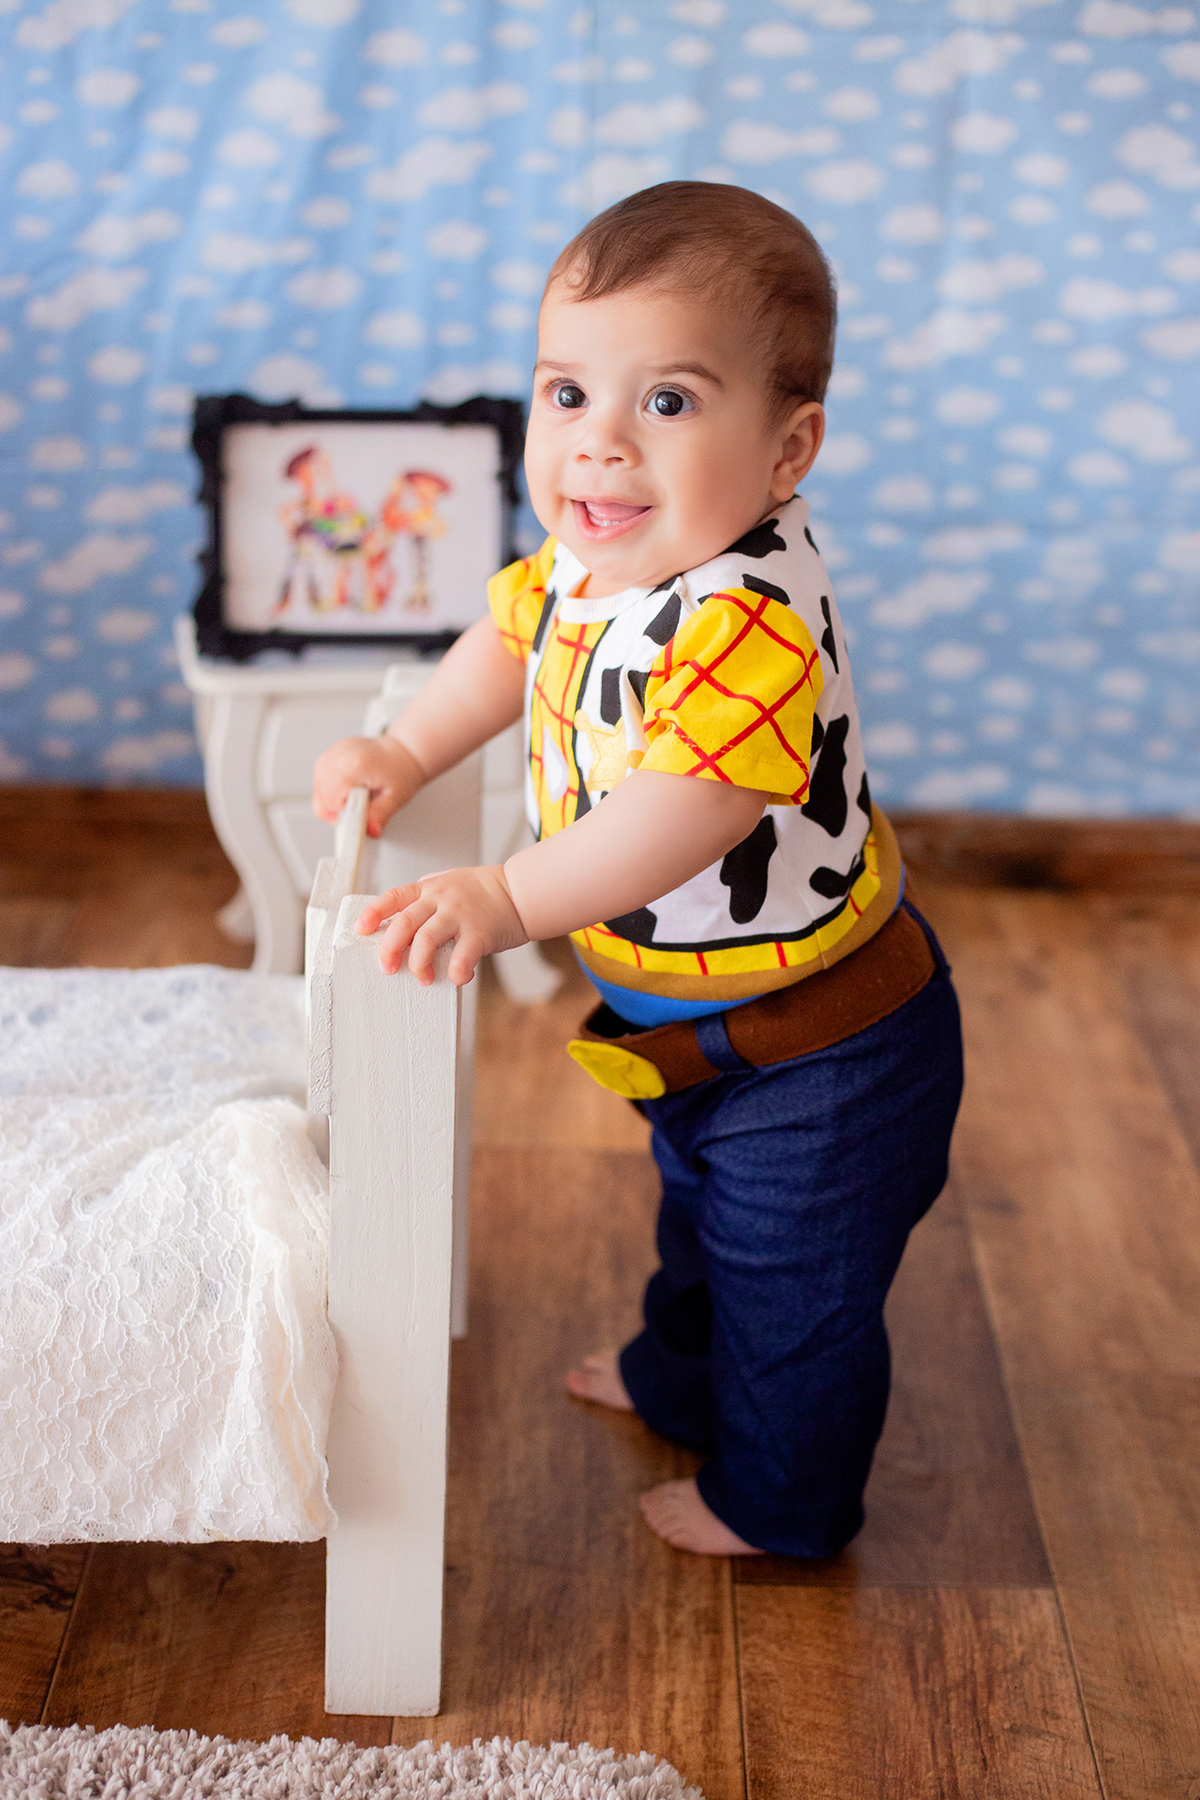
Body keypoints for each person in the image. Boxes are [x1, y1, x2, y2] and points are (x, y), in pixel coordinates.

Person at [311, 182, 963, 1559]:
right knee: (699, 1223)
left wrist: (501, 896)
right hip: (698, 1025)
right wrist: (408, 749)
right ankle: (677, 1380)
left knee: (791, 1284)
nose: (598, 445)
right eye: (565, 393)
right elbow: (506, 643)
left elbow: (683, 815)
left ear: (790, 450)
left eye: (665, 402)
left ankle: (779, 1506)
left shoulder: (749, 622)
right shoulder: (590, 558)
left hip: (829, 1050)